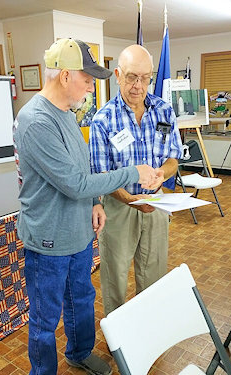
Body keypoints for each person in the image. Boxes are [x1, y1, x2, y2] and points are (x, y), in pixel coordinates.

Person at [13, 38, 163, 375]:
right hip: (49, 239)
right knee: (45, 319)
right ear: (66, 76)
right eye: (87, 78)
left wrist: (96, 203)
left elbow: (83, 170)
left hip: (78, 232)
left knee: (81, 300)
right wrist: (132, 173)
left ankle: (79, 353)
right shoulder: (36, 121)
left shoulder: (67, 113)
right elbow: (74, 183)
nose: (92, 85)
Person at [89, 44, 182, 316]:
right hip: (119, 208)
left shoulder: (164, 112)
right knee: (115, 275)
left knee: (153, 271)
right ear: (118, 75)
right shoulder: (103, 120)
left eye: (145, 78)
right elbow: (101, 175)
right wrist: (131, 200)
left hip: (156, 204)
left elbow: (173, 158)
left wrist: (162, 173)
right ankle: (118, 333)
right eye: (131, 77)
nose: (138, 86)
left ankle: (148, 324)